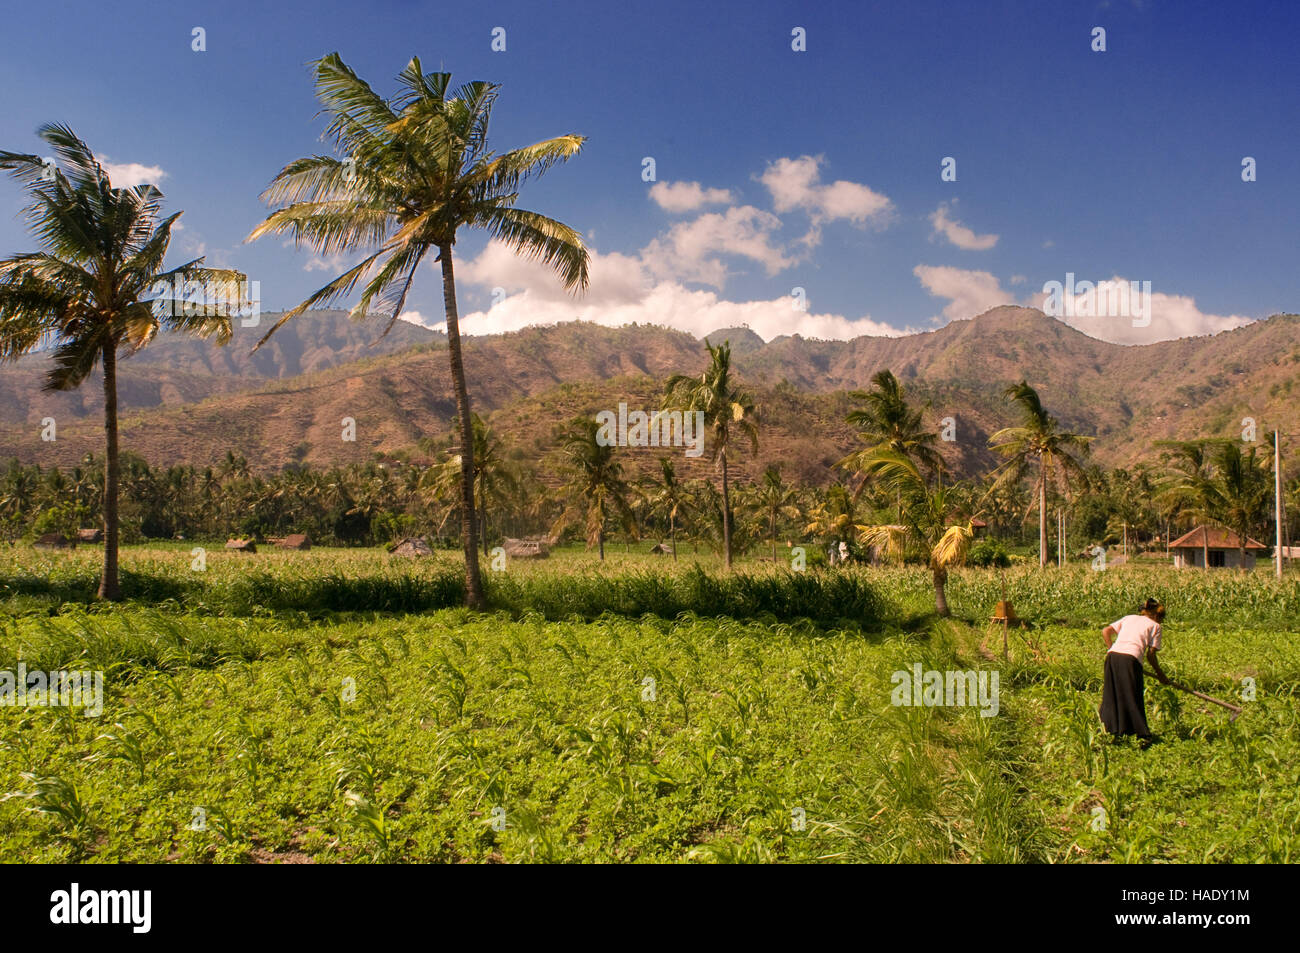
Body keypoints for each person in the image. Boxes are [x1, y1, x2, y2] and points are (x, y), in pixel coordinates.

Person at [1099, 598, 1170, 742]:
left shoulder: (1129, 618)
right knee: (1133, 695)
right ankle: (1143, 735)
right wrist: (1161, 674)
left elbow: (1106, 631)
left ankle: (1111, 731)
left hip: (1112, 657)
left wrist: (1111, 648)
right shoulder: (1156, 626)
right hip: (1131, 659)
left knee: (1111, 694)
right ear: (1157, 616)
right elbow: (1150, 655)